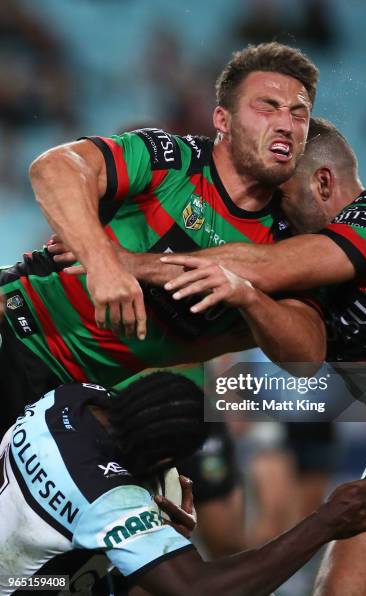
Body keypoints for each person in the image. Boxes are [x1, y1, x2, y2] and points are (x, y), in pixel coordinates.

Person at [160, 117, 366, 594]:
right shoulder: (309, 280)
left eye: (282, 198)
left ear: (322, 182)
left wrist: (117, 260)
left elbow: (268, 266)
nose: (275, 215)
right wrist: (250, 300)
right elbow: (302, 360)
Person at [0, 41, 319, 435]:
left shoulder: (287, 246)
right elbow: (53, 168)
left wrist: (248, 295)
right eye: (267, 106)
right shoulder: (170, 159)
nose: (286, 123)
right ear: (223, 119)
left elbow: (307, 356)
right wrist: (103, 263)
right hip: (17, 325)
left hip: (74, 399)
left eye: (298, 113)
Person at [0, 369, 366, 596]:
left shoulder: (67, 399)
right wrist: (325, 523)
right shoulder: (110, 500)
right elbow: (197, 589)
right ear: (167, 460)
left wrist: (157, 533)